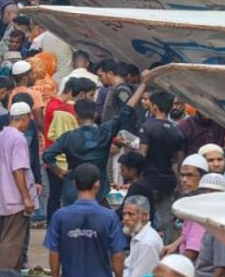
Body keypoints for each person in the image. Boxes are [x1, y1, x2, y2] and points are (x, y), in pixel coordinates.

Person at [43, 76, 147, 206]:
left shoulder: (67, 137)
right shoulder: (105, 132)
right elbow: (127, 109)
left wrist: (60, 171)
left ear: (75, 116)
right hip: (99, 190)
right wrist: (143, 85)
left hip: (73, 192)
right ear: (96, 115)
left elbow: (47, 155)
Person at [45, 163, 127, 277]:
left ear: (74, 184)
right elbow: (117, 254)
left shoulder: (60, 216)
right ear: (97, 185)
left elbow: (54, 252)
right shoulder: (109, 217)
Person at [0, 101, 38, 271]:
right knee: (12, 241)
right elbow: (19, 169)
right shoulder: (18, 139)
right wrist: (26, 197)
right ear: (24, 118)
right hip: (15, 198)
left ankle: (11, 276)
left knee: (6, 238)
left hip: (2, 195)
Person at [136, 89, 185, 243]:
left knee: (144, 216)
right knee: (166, 219)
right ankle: (167, 249)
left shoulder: (147, 127)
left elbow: (141, 155)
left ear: (155, 106)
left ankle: (145, 246)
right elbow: (178, 161)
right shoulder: (177, 131)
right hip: (169, 181)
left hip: (149, 179)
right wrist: (179, 184)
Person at [121, 195, 163, 277]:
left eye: (130, 214)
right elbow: (129, 268)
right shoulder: (138, 234)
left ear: (144, 216)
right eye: (124, 214)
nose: (125, 218)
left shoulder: (147, 242)